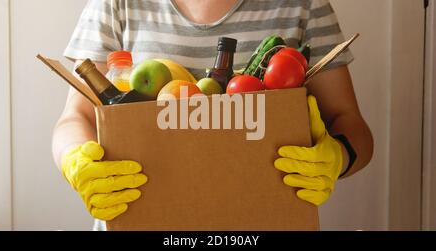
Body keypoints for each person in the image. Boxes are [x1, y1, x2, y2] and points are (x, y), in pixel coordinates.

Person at [54, 0, 374, 230]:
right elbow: (75, 119)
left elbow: (352, 124)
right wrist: (76, 163)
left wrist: (338, 157)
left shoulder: (303, 6)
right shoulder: (117, 3)